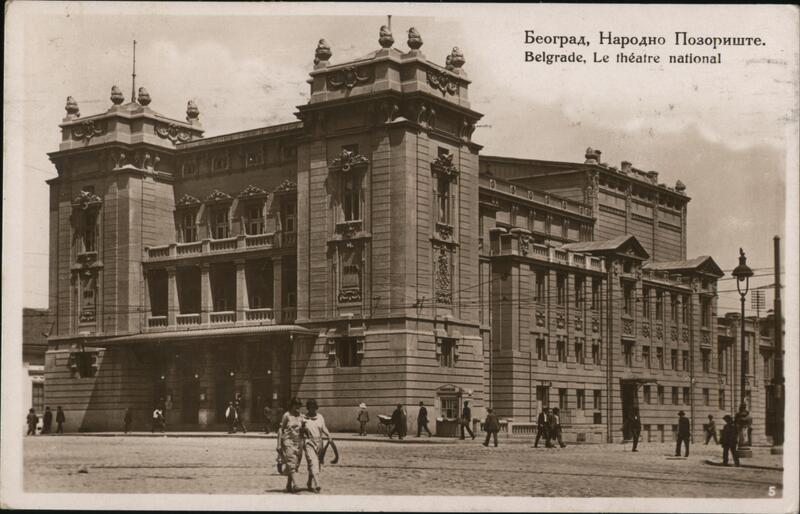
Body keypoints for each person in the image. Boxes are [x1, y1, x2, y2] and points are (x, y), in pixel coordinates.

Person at [302, 399, 332, 493]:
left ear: (316, 408)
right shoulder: (303, 418)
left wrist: (329, 435)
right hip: (308, 442)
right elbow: (300, 430)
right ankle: (317, 484)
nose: (312, 410)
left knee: (317, 464)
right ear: (308, 408)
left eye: (314, 408)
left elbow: (323, 428)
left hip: (319, 442)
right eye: (310, 408)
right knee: (312, 462)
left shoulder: (320, 417)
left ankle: (309, 482)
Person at [278, 398, 304, 493]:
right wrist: (278, 444)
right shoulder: (287, 415)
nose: (297, 407)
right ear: (292, 405)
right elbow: (281, 429)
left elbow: (303, 430)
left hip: (298, 443)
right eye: (296, 405)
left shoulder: (301, 417)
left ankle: (289, 484)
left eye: (299, 405)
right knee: (291, 462)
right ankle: (296, 485)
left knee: (295, 464)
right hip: (288, 441)